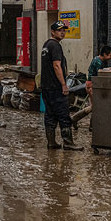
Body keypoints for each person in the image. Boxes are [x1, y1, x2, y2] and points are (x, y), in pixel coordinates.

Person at [40, 20, 84, 151]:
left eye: (64, 30)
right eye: (59, 30)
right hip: (55, 87)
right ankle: (68, 142)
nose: (62, 32)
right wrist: (64, 85)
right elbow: (56, 65)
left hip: (46, 87)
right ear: (53, 32)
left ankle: (51, 142)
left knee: (50, 114)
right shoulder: (55, 46)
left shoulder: (46, 45)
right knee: (64, 114)